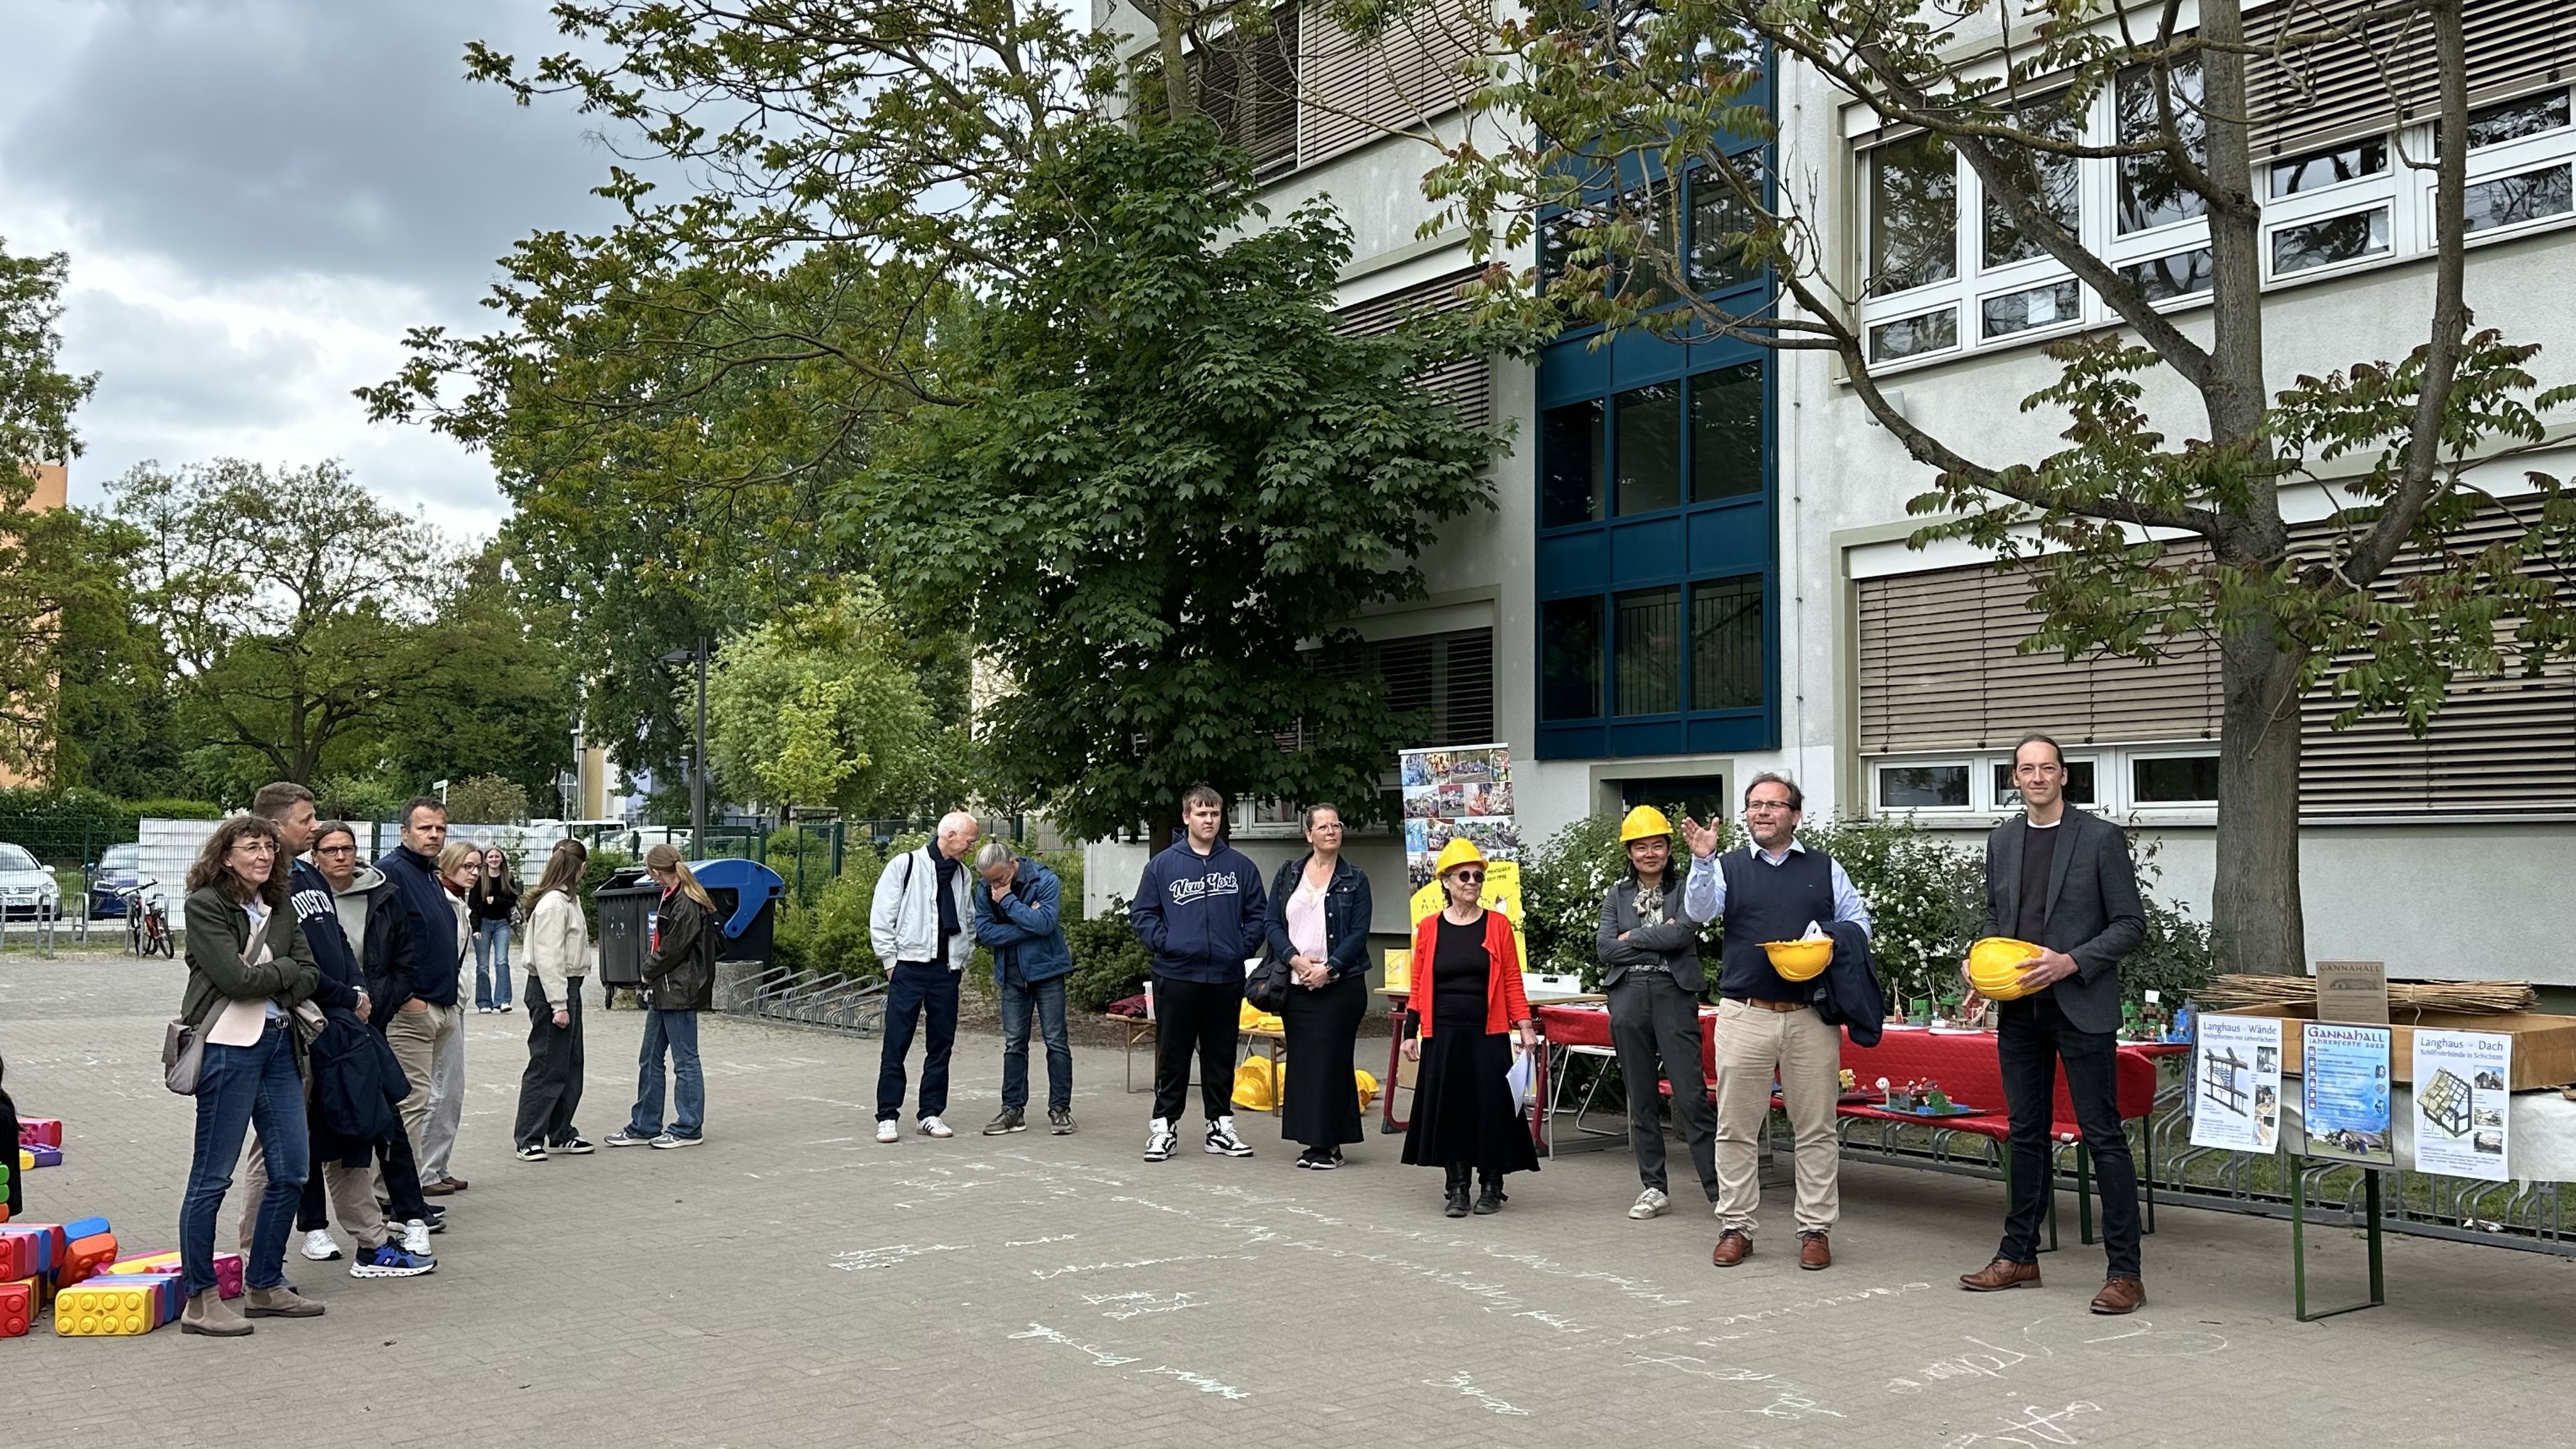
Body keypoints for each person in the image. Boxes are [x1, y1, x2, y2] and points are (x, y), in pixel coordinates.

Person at [1958, 734, 2149, 1314]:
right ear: (2014, 779)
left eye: (2047, 768)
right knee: (2026, 1134)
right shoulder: (2004, 840)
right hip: (2020, 1009)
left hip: (2081, 1005)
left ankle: (2126, 1273)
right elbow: (1997, 918)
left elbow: (2130, 925)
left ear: (2065, 776)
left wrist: (2071, 962)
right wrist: (1978, 963)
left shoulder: (2099, 839)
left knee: (2103, 1137)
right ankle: (2019, 1256)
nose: (2037, 778)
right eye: (2025, 770)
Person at [236, 785, 433, 1281]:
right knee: (278, 1144)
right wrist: (344, 995)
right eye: (307, 819)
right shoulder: (263, 883)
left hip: (338, 1027)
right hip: (295, 1028)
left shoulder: (309, 874)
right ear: (278, 826)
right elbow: (288, 963)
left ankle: (371, 1244)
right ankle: (252, 1261)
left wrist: (358, 991)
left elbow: (338, 946)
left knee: (353, 1127)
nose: (317, 825)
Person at [1681, 772, 1873, 1271]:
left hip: (1810, 1016)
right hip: (1745, 1013)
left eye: (1773, 805)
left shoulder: (1826, 869)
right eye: (1754, 805)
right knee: (1737, 1128)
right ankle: (1737, 1227)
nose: (1762, 812)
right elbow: (1699, 913)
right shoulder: (1726, 866)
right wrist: (1702, 860)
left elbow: (1860, 924)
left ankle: (1815, 1229)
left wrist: (1824, 934)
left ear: (1796, 815)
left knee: (1816, 1129)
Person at [176, 814, 324, 1336]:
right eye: (250, 847)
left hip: (279, 1047)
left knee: (292, 1171)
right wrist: (279, 974)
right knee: (212, 1178)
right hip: (226, 1050)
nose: (263, 855)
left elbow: (310, 974)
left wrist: (275, 975)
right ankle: (200, 1300)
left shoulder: (281, 905)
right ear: (226, 856)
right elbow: (234, 981)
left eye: (268, 846)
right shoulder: (205, 905)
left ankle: (264, 1284)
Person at [312, 822, 440, 1257]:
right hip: (323, 1023)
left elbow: (404, 958)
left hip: (371, 1021)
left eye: (347, 848)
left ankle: (411, 1214)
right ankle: (313, 1226)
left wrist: (378, 1005)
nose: (341, 857)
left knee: (389, 1118)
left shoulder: (382, 894)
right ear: (316, 857)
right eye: (330, 850)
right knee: (314, 1126)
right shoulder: (304, 901)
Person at [1128, 785, 1269, 1163]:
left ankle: (1220, 1126)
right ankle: (1163, 1127)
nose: (1209, 820)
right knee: (1174, 1053)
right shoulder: (1162, 865)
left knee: (1221, 1053)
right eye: (1201, 814)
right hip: (1176, 975)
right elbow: (1143, 914)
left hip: (1225, 976)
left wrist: (1241, 948)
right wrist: (1169, 943)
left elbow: (1259, 915)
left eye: (1215, 814)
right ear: (1186, 817)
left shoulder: (1241, 867)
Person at [1595, 804, 1721, 1222]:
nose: (1650, 853)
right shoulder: (1617, 893)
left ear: (1669, 849)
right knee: (1642, 1098)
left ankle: (1719, 1190)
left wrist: (1637, 935)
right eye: (1640, 847)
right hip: (1628, 996)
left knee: (1691, 1097)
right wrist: (1657, 936)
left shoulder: (1688, 887)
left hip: (1673, 994)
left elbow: (1684, 931)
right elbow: (1606, 948)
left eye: (1658, 845)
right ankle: (1654, 1188)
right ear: (1629, 853)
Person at [1400, 837, 1537, 1216]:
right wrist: (1411, 1030)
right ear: (1445, 881)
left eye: (1478, 875)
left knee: (1491, 1108)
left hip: (1487, 1030)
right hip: (1443, 1031)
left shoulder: (1497, 925)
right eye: (1464, 875)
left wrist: (1524, 1024)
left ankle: (1492, 1185)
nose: (1472, 882)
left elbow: (1511, 979)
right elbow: (1419, 981)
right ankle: (1457, 1187)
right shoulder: (1429, 928)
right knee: (1451, 1109)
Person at [1262, 803, 1372, 1170]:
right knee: (1305, 1063)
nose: (1331, 831)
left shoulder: (1356, 879)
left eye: (1336, 825)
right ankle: (1312, 1141)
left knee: (1332, 1061)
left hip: (1341, 985)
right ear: (1308, 834)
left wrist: (1330, 968)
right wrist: (1294, 959)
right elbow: (1271, 924)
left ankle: (1331, 1145)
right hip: (1296, 983)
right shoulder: (1288, 874)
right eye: (1322, 826)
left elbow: (1359, 933)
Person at [376, 797, 470, 1197]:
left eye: (440, 829)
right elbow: (378, 946)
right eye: (425, 828)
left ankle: (408, 1189)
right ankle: (392, 1196)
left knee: (427, 1101)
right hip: (413, 1010)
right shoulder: (391, 873)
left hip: (442, 1005)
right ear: (405, 831)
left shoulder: (429, 874)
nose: (434, 835)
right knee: (409, 1106)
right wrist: (408, 999)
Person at [868, 813, 981, 1144]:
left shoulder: (963, 875)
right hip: (909, 968)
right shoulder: (905, 866)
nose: (971, 849)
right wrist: (891, 963)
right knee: (896, 1044)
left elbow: (968, 919)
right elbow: (882, 916)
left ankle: (930, 1113)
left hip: (946, 971)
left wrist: (963, 959)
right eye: (969, 842)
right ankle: (887, 1115)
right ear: (949, 835)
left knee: (941, 1045)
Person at [608, 843, 717, 1149]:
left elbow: (673, 949)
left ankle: (688, 1127)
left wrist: (647, 970)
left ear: (656, 872)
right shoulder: (676, 896)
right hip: (666, 989)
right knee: (651, 1057)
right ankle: (645, 1124)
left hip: (678, 989)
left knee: (685, 1061)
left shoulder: (686, 902)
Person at [972, 840, 1076, 1137]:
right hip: (1012, 975)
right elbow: (985, 931)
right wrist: (1028, 923)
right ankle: (1012, 1111)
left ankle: (1060, 1110)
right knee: (1014, 1044)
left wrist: (1007, 902)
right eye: (988, 880)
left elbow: (1045, 924)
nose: (993, 885)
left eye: (998, 879)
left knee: (1056, 1041)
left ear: (1012, 864)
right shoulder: (985, 887)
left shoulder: (1045, 880)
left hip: (1048, 972)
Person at [514, 838, 594, 1160]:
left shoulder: (568, 901)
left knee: (570, 1064)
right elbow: (548, 957)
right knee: (547, 1064)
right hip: (552, 989)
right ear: (580, 868)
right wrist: (558, 1004)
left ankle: (561, 1130)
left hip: (567, 986)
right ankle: (528, 1137)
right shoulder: (554, 905)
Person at [471, 847, 520, 1014]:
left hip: (502, 924)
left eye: (496, 856)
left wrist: (496, 900)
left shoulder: (507, 878)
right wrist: (475, 928)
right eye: (490, 856)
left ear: (501, 859)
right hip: (483, 924)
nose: (493, 859)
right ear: (485, 860)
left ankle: (503, 1000)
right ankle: (484, 1002)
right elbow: (473, 906)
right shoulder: (479, 880)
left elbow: (512, 900)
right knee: (482, 965)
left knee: (502, 961)